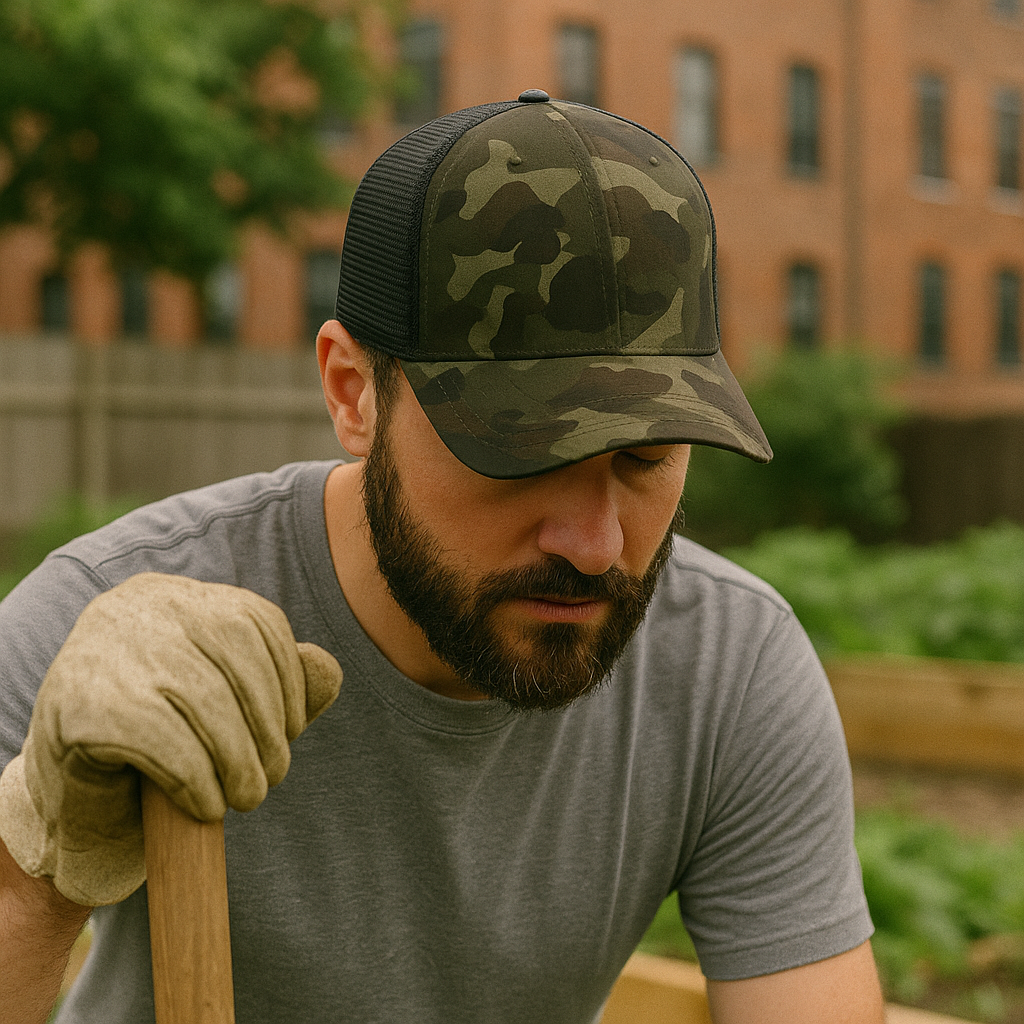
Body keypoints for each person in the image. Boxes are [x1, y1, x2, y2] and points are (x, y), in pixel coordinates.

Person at [0, 91, 884, 1023]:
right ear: (354, 394)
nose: (594, 547)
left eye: (645, 459)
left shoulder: (728, 672)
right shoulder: (103, 633)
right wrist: (40, 857)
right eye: (520, 453)